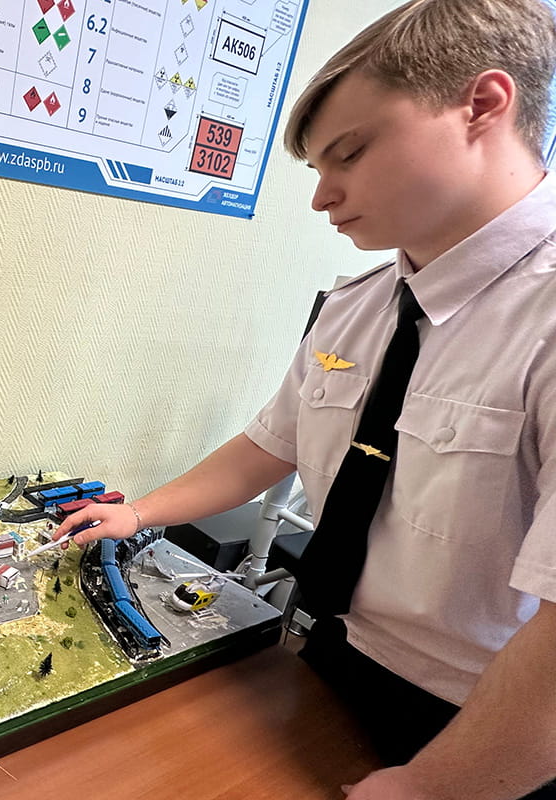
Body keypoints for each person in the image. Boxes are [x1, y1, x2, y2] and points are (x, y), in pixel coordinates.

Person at [56, 1, 556, 798]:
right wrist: (140, 513)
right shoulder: (360, 304)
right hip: (331, 653)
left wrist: (434, 786)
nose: (323, 198)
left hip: (488, 731)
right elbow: (273, 442)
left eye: (350, 153)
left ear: (483, 105)